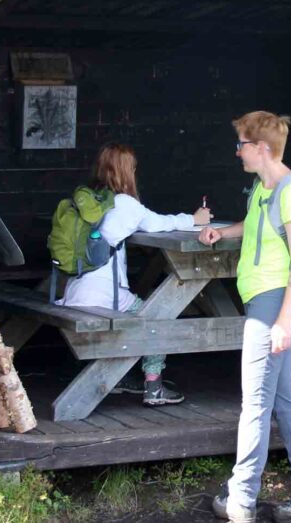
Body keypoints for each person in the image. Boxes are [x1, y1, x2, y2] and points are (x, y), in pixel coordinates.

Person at [199, 111, 291, 523]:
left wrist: (282, 321)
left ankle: (241, 500)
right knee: (283, 401)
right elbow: (256, 224)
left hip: (275, 305)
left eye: (241, 144)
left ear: (262, 148)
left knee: (254, 403)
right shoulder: (263, 188)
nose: (237, 151)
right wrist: (223, 232)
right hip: (263, 301)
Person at [57, 142, 212, 406]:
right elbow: (160, 223)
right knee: (157, 318)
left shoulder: (89, 202)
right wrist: (195, 219)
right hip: (106, 298)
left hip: (73, 293)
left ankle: (117, 378)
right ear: (127, 172)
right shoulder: (125, 204)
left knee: (141, 314)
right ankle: (153, 385)